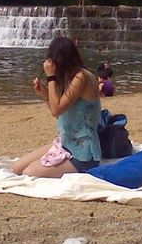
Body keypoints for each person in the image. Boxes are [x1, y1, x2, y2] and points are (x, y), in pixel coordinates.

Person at [12, 37, 102, 178]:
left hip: (83, 153)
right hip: (67, 143)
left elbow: (56, 110)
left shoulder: (81, 77)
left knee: (28, 173)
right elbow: (60, 113)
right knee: (17, 167)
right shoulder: (71, 77)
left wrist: (51, 78)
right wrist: (45, 95)